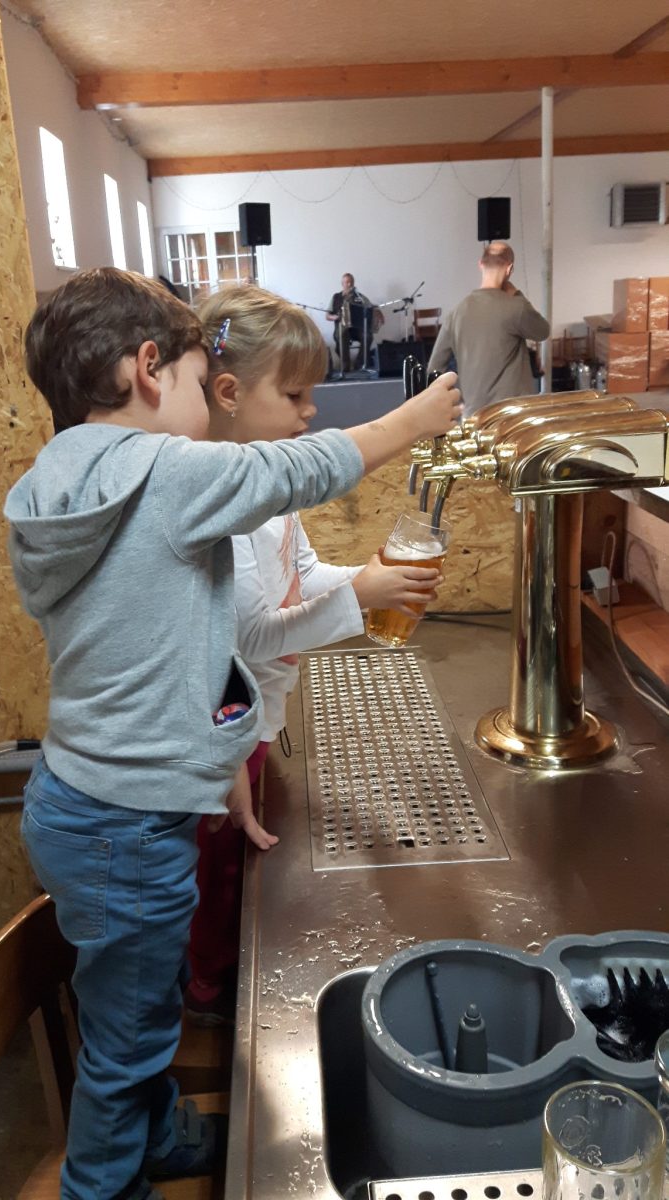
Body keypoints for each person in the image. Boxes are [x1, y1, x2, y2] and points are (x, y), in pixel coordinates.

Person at [4, 267, 462, 1200]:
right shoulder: (161, 471)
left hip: (84, 801)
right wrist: (411, 421)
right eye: (189, 374)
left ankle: (161, 1135)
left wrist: (221, 750)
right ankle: (104, 1186)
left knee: (138, 1008)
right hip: (129, 824)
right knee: (129, 1039)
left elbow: (161, 646)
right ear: (147, 369)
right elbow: (296, 470)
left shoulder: (57, 480)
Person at [185, 285, 446, 1024]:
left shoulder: (272, 492)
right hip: (222, 732)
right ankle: (208, 996)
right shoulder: (217, 509)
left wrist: (368, 580)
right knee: (218, 877)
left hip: (259, 718)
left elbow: (301, 574)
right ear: (229, 394)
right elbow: (251, 636)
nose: (309, 412)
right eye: (295, 395)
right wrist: (361, 596)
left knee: (237, 867)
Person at [428, 241, 550, 416]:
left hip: (473, 416)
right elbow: (542, 331)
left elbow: (435, 368)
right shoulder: (516, 307)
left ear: (481, 264)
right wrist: (516, 294)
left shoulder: (456, 313)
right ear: (509, 269)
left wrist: (457, 402)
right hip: (511, 417)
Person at [326, 271, 383, 372]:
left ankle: (359, 364)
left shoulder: (359, 297)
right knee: (342, 335)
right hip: (342, 328)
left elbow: (371, 307)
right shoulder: (336, 297)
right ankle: (345, 366)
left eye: (351, 282)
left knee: (368, 336)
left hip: (357, 328)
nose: (349, 284)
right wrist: (336, 317)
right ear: (342, 284)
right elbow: (327, 316)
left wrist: (379, 313)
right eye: (347, 282)